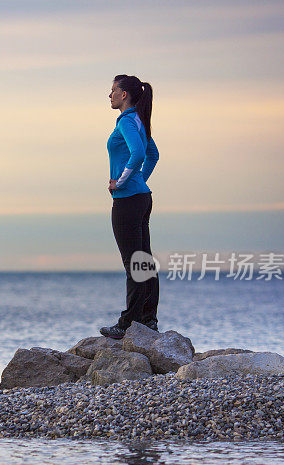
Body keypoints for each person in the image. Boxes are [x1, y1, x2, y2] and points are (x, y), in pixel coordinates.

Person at [99, 74, 160, 340]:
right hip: (142, 198)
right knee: (144, 260)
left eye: (113, 90)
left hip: (127, 201)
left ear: (124, 95)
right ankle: (148, 320)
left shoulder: (126, 121)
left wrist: (121, 182)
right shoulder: (139, 120)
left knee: (134, 262)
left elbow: (138, 153)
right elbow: (153, 154)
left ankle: (128, 324)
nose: (109, 94)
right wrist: (138, 181)